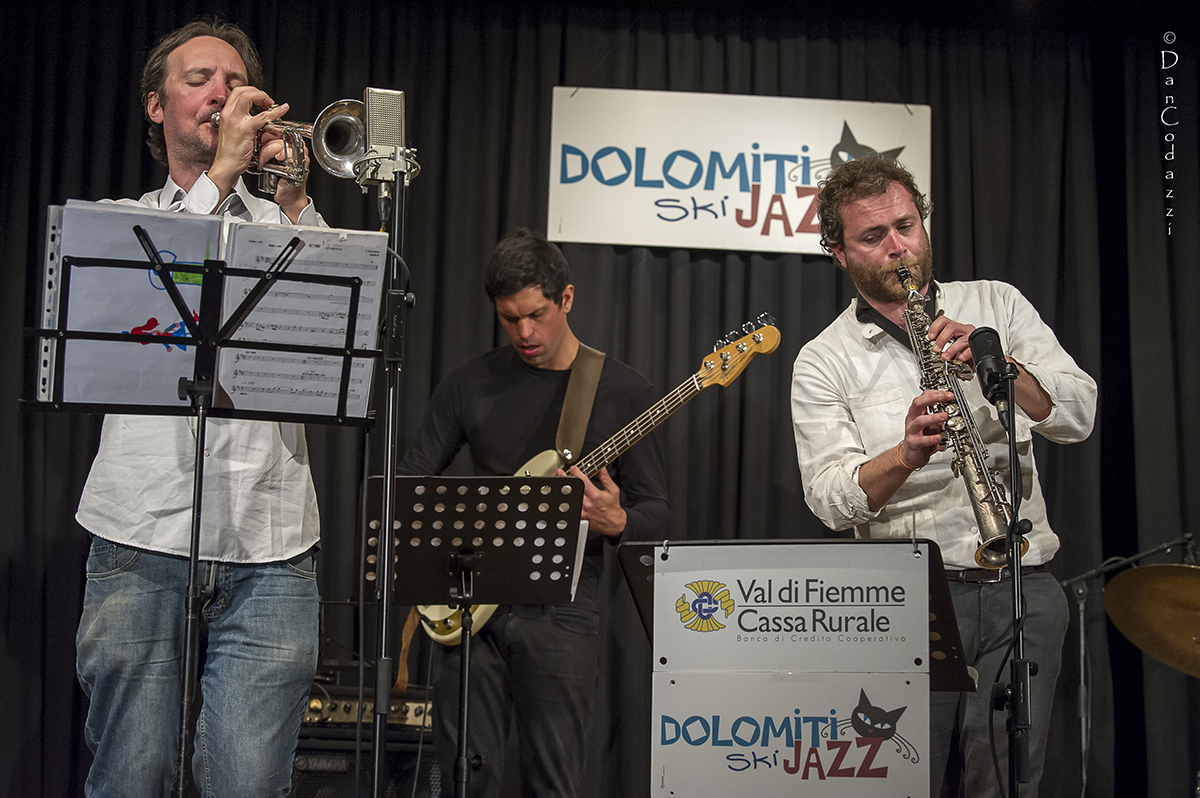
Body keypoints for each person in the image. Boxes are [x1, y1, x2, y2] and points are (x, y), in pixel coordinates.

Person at [74, 19, 326, 798]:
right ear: (156, 107)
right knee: (130, 775)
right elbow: (149, 292)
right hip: (141, 527)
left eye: (232, 81)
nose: (220, 94)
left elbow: (336, 331)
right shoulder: (126, 219)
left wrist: (293, 201)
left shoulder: (288, 227)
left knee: (250, 784)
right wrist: (218, 179)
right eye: (197, 80)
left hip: (272, 542)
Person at [790, 157, 1096, 797]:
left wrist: (1000, 364)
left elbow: (1077, 414)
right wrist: (903, 456)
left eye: (906, 226)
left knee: (1008, 785)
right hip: (908, 598)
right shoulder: (823, 359)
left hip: (1023, 586)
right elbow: (828, 498)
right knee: (902, 782)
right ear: (838, 253)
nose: (898, 246)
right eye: (874, 237)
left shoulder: (996, 303)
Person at [399, 229, 669, 797]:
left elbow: (657, 513)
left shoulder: (622, 392)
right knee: (463, 779)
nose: (524, 332)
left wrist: (617, 521)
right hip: (468, 606)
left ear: (566, 299)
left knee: (555, 781)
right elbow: (411, 483)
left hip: (562, 613)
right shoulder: (470, 384)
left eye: (536, 315)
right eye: (509, 318)